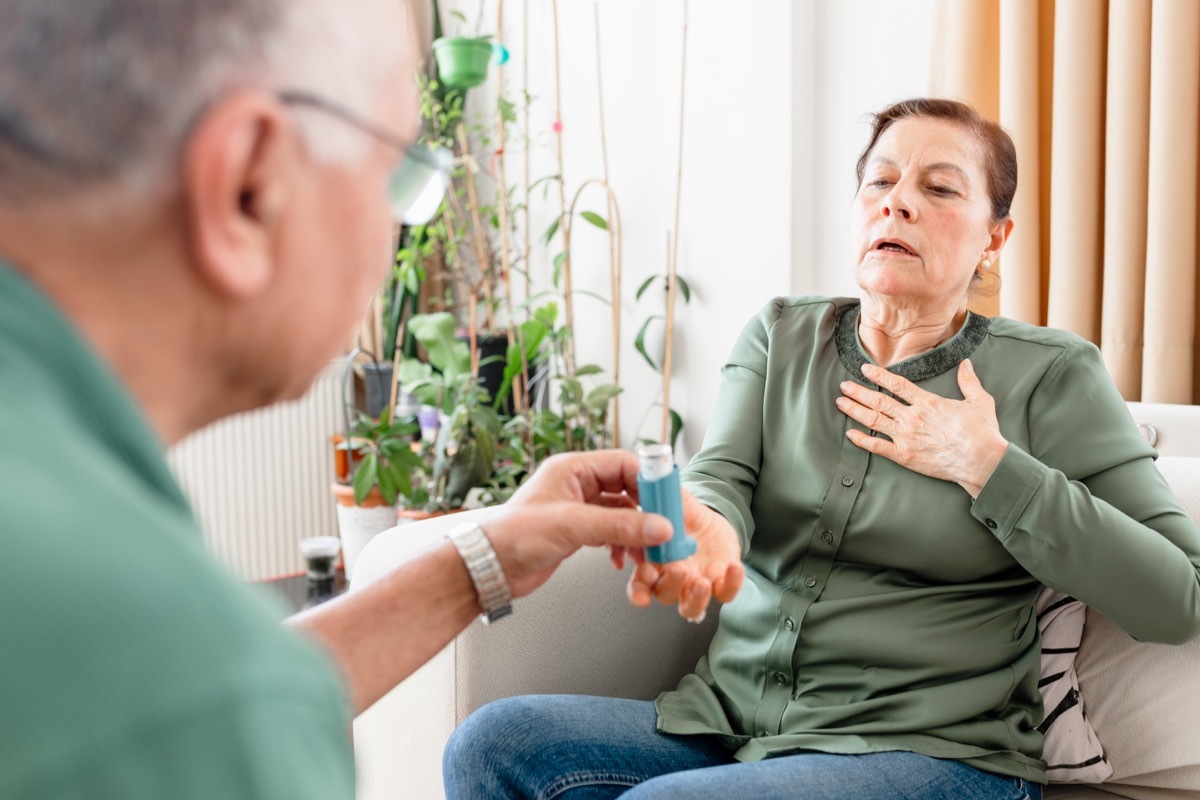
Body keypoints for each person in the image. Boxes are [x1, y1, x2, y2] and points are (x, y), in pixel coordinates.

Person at [0, 2, 688, 798]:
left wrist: (483, 561)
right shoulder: (183, 683)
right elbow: (204, 704)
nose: (396, 229)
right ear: (249, 187)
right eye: (397, 167)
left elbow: (204, 693)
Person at [443, 98, 1200, 800]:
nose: (897, 201)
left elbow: (1177, 600)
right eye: (880, 181)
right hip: (729, 727)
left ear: (993, 240)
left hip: (930, 756)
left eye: (939, 189)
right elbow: (721, 480)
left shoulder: (1052, 375)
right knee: (492, 745)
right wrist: (702, 524)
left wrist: (989, 467)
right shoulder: (780, 334)